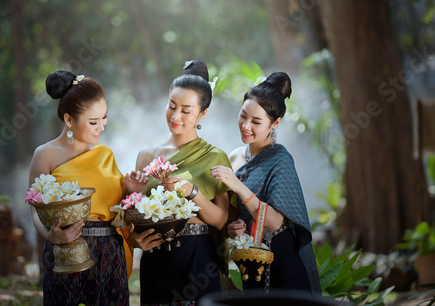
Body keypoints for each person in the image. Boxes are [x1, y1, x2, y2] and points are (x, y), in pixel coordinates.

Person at [28, 70, 148, 306]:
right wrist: (51, 235)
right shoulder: (45, 155)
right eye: (93, 122)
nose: (101, 127)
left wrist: (130, 191)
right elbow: (35, 208)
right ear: (69, 120)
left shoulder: (105, 155)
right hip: (66, 250)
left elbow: (117, 210)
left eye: (104, 118)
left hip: (110, 252)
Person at [128, 60, 231, 305]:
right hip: (156, 254)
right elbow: (136, 213)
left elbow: (220, 219)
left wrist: (191, 191)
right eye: (171, 106)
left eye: (186, 110)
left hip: (197, 255)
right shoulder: (147, 156)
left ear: (202, 114)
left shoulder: (214, 156)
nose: (176, 116)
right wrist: (132, 197)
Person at [210, 72, 321, 293]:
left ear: (275, 123)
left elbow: (275, 222)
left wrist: (239, 186)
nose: (246, 126)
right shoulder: (233, 157)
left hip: (283, 263)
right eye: (243, 115)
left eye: (256, 122)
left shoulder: (281, 160)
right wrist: (234, 228)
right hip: (251, 261)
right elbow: (234, 214)